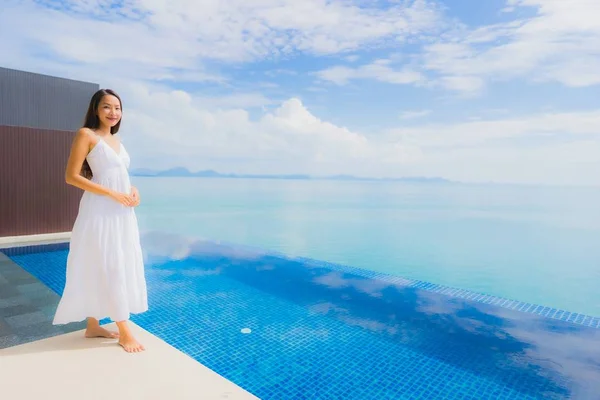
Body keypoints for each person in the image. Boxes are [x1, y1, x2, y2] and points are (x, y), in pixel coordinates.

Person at [53, 88, 148, 353]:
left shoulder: (119, 142)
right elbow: (72, 176)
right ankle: (124, 330)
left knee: (108, 259)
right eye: (107, 107)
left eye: (117, 108)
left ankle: (92, 326)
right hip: (100, 210)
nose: (113, 113)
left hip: (121, 212)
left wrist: (132, 191)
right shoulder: (87, 135)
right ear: (96, 109)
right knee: (108, 262)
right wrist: (113, 194)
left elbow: (118, 175)